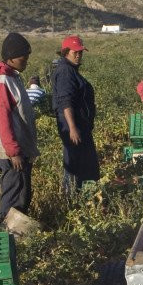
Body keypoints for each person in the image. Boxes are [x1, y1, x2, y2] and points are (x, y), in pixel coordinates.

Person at [0, 32, 39, 235]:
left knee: (23, 193)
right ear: (10, 56)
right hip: (12, 153)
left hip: (19, 149)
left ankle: (17, 236)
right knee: (13, 196)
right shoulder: (2, 81)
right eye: (22, 57)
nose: (26, 60)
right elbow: (2, 119)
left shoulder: (12, 77)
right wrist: (13, 151)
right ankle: (7, 237)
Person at [51, 35, 99, 200]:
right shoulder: (65, 72)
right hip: (74, 127)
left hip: (80, 127)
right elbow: (66, 102)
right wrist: (72, 128)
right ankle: (71, 200)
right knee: (75, 164)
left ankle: (81, 199)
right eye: (75, 52)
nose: (78, 55)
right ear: (65, 52)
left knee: (82, 164)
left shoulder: (70, 70)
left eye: (80, 52)